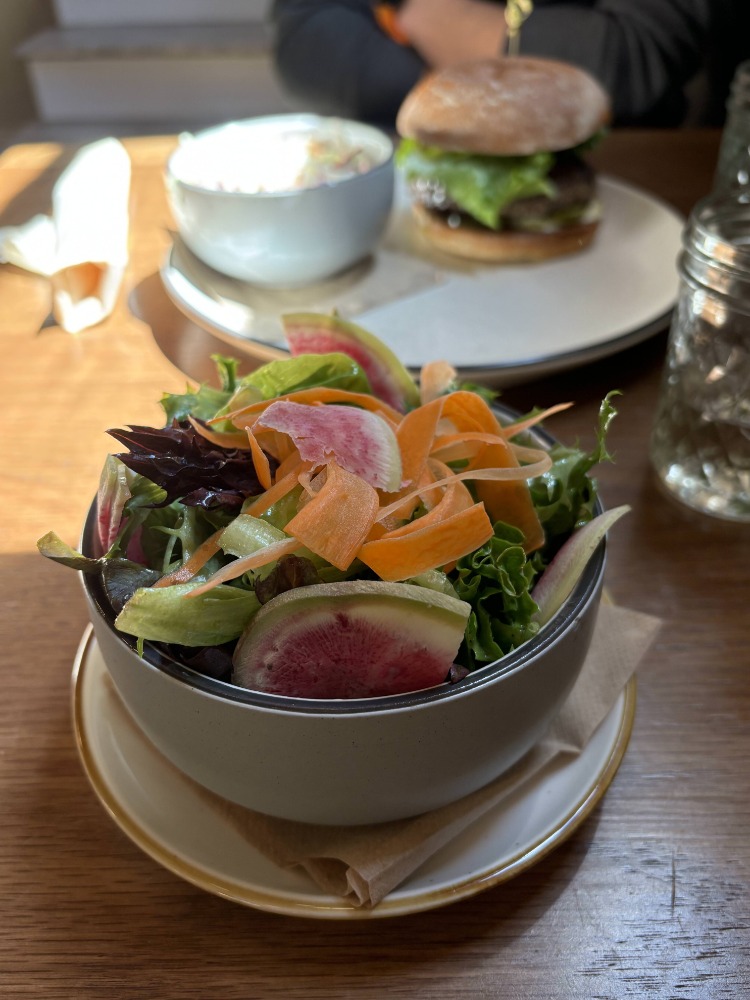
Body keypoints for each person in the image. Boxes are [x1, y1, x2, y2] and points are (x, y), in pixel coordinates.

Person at [270, 0, 748, 128]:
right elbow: (304, 40)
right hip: (402, 187)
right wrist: (469, 103)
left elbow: (628, 60)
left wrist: (431, 16)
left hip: (626, 180)